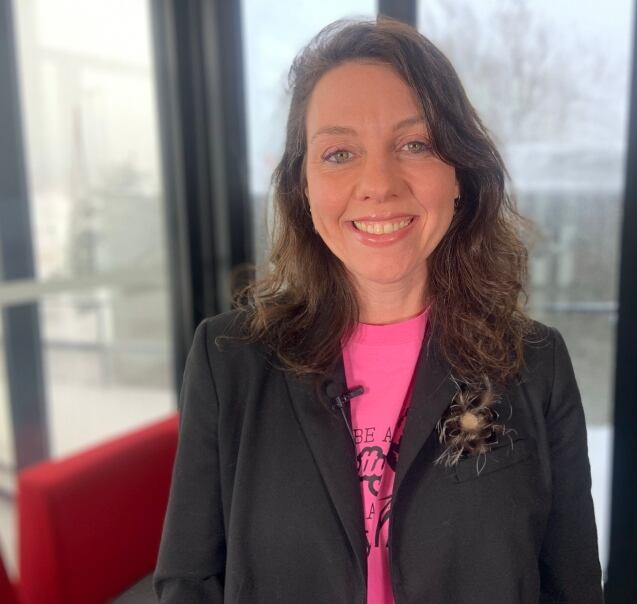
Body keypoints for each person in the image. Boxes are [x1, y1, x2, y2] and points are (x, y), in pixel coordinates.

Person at [153, 16, 603, 604]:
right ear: (304, 187)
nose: (378, 184)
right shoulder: (227, 361)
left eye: (414, 144)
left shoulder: (535, 364)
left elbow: (571, 586)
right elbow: (189, 581)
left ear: (460, 173)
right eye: (339, 153)